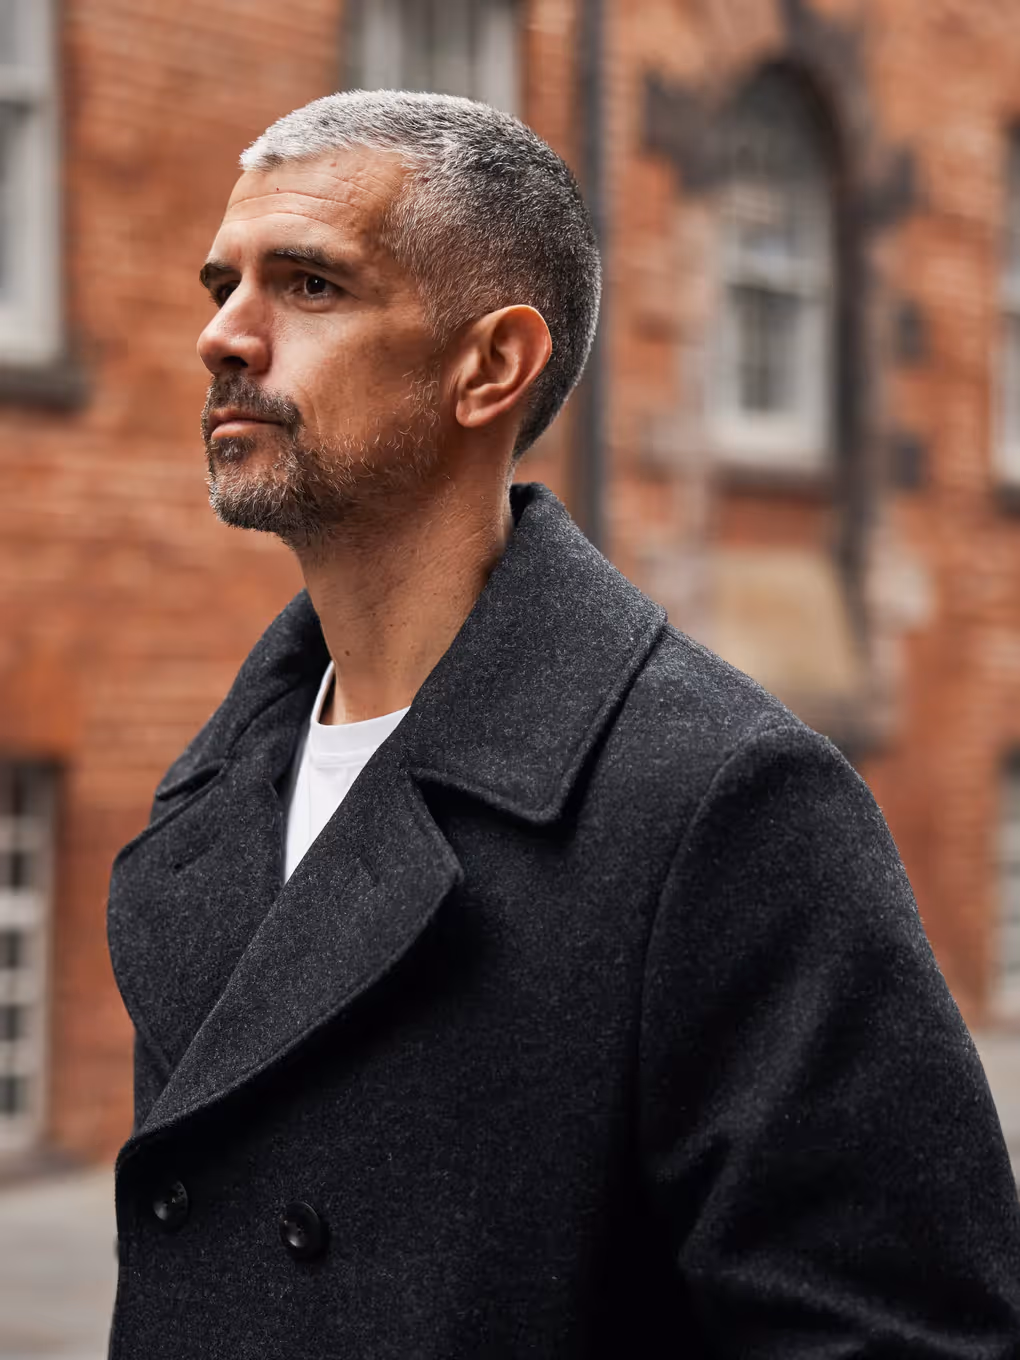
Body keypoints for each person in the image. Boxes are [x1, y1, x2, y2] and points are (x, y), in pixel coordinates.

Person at [106, 91, 1020, 1359]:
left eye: (309, 285)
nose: (223, 334)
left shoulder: (724, 802)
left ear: (491, 364)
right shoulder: (222, 789)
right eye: (224, 282)